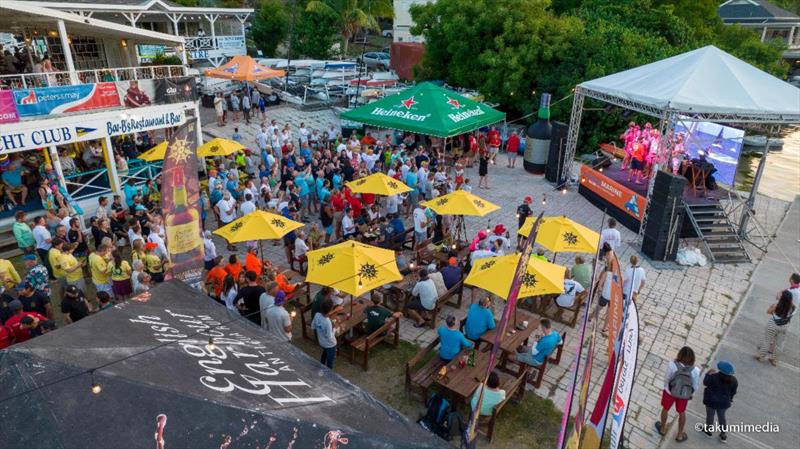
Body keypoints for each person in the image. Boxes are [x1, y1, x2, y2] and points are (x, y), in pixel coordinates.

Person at [655, 346, 701, 442]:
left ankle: (663, 429)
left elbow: (667, 378)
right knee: (681, 412)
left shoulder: (672, 365)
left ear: (680, 354)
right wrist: (690, 394)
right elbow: (695, 386)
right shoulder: (695, 370)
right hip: (684, 395)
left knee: (665, 409)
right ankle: (680, 435)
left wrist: (666, 388)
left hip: (670, 392)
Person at [755, 289, 795, 365]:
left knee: (767, 341)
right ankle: (774, 360)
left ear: (782, 297)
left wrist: (773, 306)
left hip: (772, 325)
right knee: (779, 344)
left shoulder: (776, 304)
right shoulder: (792, 307)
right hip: (784, 326)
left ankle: (761, 356)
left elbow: (768, 311)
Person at [702, 361, 737, 443]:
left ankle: (708, 431)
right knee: (722, 417)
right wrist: (730, 399)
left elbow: (705, 383)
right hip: (724, 403)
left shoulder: (713, 376)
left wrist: (708, 373)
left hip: (711, 401)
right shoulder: (734, 381)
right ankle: (723, 435)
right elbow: (733, 392)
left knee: (710, 416)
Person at [312, 298, 337, 369]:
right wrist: (334, 329)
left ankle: (321, 365)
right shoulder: (327, 322)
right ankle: (329, 373)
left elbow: (312, 326)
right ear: (330, 310)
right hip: (330, 345)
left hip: (321, 342)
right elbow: (330, 337)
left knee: (325, 353)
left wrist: (320, 328)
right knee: (330, 361)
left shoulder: (317, 315)